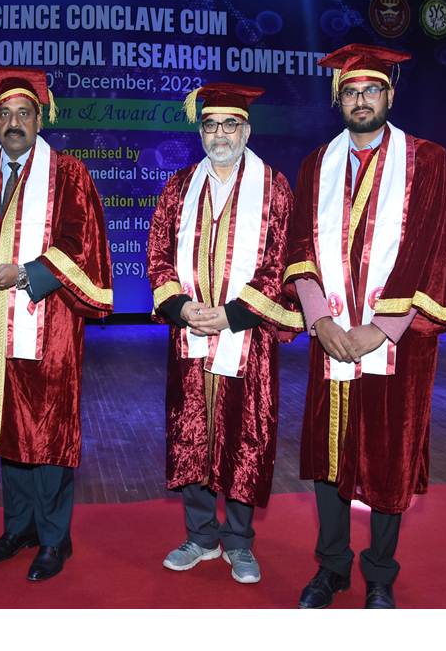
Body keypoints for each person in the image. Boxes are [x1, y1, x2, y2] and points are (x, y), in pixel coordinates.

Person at [283, 43, 446, 609]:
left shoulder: (427, 161)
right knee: (329, 453)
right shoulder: (316, 164)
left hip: (398, 342)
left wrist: (381, 328)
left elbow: (429, 248)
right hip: (331, 336)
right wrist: (321, 319)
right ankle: (331, 567)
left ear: (390, 94)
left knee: (388, 453)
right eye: (351, 92)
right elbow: (299, 247)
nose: (361, 101)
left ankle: (380, 573)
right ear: (337, 100)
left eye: (371, 90)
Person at [0, 67, 112, 581]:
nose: (14, 123)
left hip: (49, 324)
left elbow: (81, 245)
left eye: (23, 113)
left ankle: (54, 538)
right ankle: (18, 527)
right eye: (5, 114)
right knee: (7, 429)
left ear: (40, 119)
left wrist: (25, 272)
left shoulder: (68, 174)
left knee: (48, 431)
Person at [147, 83, 300, 584]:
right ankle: (200, 536)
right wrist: (181, 307)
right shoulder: (179, 187)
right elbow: (158, 254)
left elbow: (280, 260)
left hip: (246, 339)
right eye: (210, 125)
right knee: (191, 432)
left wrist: (234, 314)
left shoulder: (274, 188)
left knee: (243, 436)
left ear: (246, 131)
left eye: (230, 124)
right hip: (189, 334)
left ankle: (238, 540)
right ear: (200, 132)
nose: (220, 134)